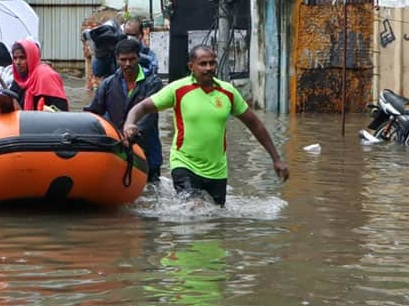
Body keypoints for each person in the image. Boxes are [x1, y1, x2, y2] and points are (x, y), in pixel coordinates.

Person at [123, 45, 290, 206]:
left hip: (217, 170)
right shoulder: (178, 89)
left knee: (216, 220)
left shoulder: (228, 92)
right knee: (194, 208)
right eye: (203, 64)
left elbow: (255, 124)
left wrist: (276, 159)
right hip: (184, 164)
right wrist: (129, 124)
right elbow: (142, 107)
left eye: (212, 63)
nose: (208, 68)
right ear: (191, 66)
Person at [84, 38, 164, 183]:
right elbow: (94, 112)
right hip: (117, 152)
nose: (127, 64)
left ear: (139, 57)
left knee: (150, 194)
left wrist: (131, 133)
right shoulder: (108, 83)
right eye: (123, 60)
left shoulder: (153, 83)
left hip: (147, 152)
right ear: (117, 59)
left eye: (132, 59)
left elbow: (149, 117)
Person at [9, 39, 68, 111]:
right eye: (15, 58)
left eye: (22, 58)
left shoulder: (46, 76)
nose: (17, 62)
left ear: (31, 57)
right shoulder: (19, 80)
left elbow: (61, 111)